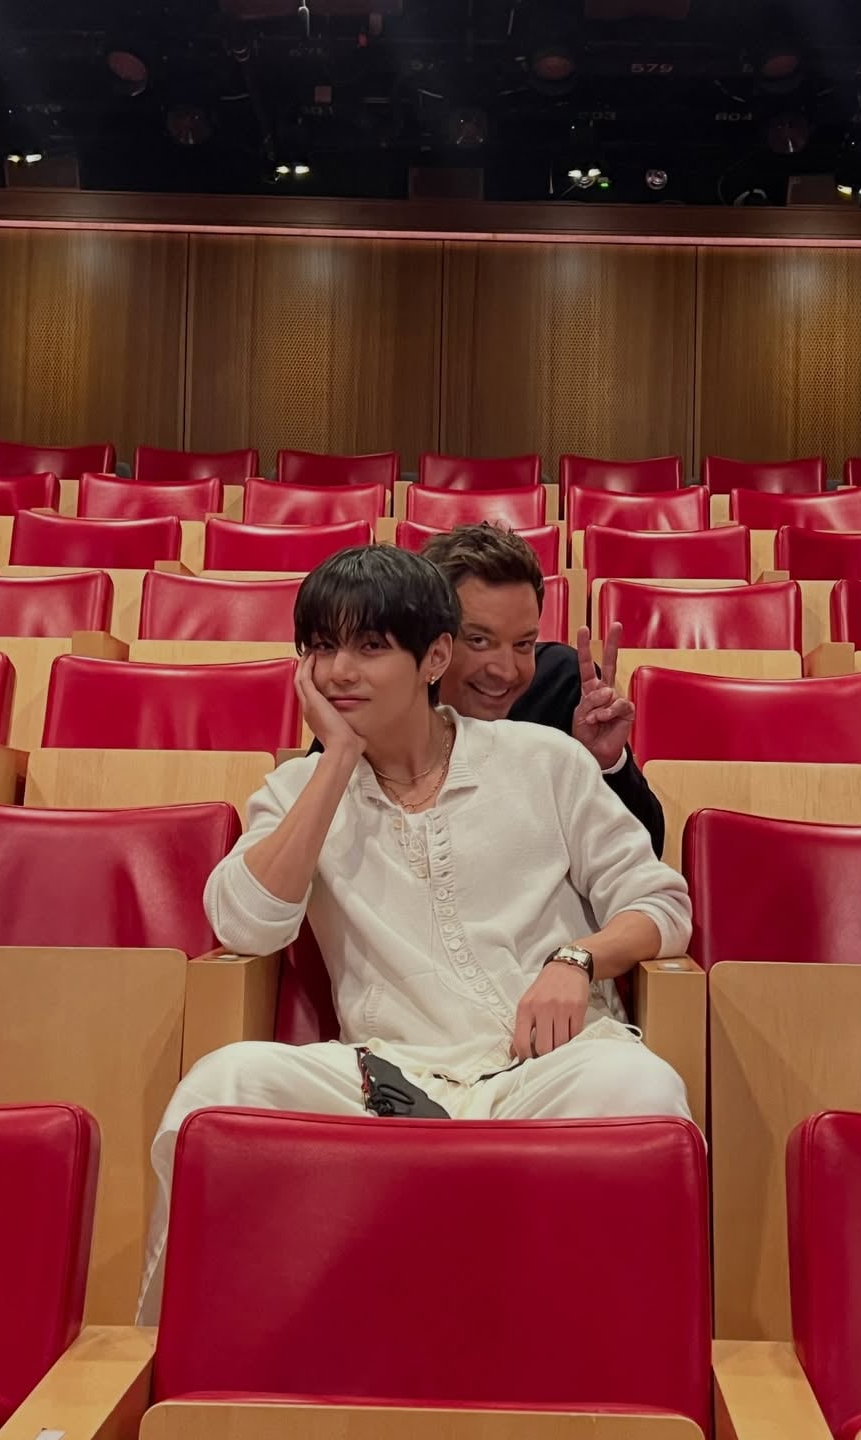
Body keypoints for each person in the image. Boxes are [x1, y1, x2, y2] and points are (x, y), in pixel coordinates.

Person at [137, 545, 692, 1323]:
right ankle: (174, 1360)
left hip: (548, 1070)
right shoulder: (298, 791)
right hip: (387, 1076)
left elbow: (661, 903)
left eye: (369, 647)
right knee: (219, 1089)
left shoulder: (546, 760)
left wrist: (577, 958)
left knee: (645, 1090)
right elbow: (244, 924)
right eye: (322, 647)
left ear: (433, 657)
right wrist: (337, 761)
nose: (340, 672)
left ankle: (634, 1367)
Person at [420, 524, 665, 856]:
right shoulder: (390, 703)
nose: (506, 671)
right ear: (432, 643)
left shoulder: (564, 685)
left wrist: (602, 766)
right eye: (479, 641)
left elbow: (645, 849)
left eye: (523, 643)